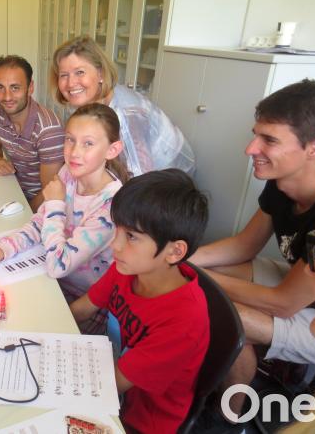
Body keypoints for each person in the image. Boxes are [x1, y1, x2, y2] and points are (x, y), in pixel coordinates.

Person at [188, 79, 315, 419]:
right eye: (256, 134)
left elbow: (282, 304)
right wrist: (185, 259)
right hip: (304, 287)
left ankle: (228, 418)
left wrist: (196, 274)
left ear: (314, 147)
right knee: (207, 284)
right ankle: (229, 392)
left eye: (269, 140)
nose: (251, 148)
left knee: (216, 308)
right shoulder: (283, 183)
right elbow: (243, 245)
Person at [0, 103, 129, 334]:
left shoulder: (110, 205)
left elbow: (59, 265)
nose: (74, 152)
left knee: (9, 331)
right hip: (50, 280)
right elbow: (39, 224)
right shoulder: (70, 172)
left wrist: (56, 203)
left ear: (112, 150)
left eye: (88, 143)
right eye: (70, 139)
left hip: (82, 304)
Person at [70, 169, 210, 434]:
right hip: (110, 380)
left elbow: (109, 385)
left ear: (174, 251)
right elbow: (81, 309)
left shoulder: (183, 319)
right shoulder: (128, 268)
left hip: (140, 421)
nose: (116, 245)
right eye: (117, 231)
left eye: (131, 236)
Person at [50, 36, 194, 177]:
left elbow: (140, 177)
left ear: (100, 73)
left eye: (79, 72)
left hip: (168, 180)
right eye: (64, 75)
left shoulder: (126, 114)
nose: (70, 83)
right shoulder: (85, 100)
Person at [0, 55, 65, 211]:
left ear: (30, 88)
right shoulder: (0, 114)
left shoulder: (48, 130)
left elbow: (50, 191)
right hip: (13, 190)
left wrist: (24, 215)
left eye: (15, 87)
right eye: (0, 87)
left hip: (37, 206)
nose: (7, 97)